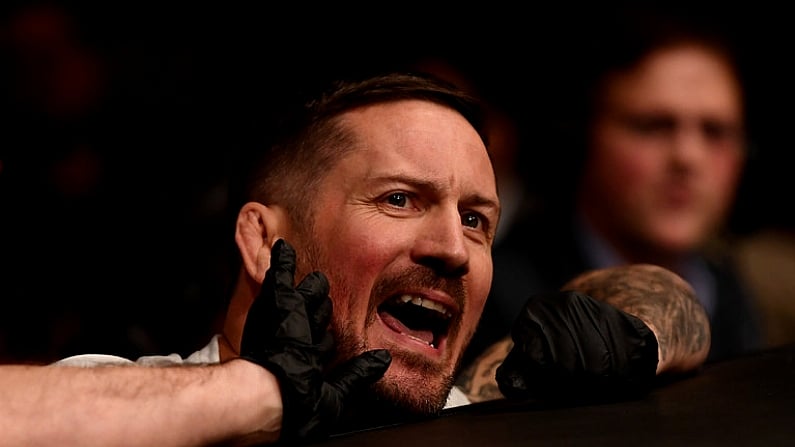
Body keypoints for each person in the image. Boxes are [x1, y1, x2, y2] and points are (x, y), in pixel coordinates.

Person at [0, 72, 709, 446]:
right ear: (261, 240)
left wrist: (638, 338)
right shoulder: (111, 400)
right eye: (400, 199)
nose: (451, 249)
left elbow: (647, 293)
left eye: (474, 219)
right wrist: (259, 396)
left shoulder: (476, 411)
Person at [465, 6, 763, 368]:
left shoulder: (733, 292)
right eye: (653, 126)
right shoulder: (499, 296)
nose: (688, 157)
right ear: (586, 133)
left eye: (715, 131)